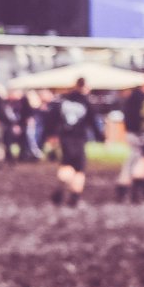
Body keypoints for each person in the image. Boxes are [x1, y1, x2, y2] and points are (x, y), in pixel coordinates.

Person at [43, 78, 106, 206]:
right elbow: (93, 122)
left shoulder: (63, 100)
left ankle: (61, 186)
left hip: (65, 138)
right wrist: (101, 138)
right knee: (79, 169)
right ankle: (74, 197)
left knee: (66, 164)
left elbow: (52, 119)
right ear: (84, 87)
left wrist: (50, 135)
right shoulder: (86, 102)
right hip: (79, 138)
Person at [114, 75, 144, 201]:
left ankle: (142, 189)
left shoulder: (133, 97)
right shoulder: (141, 99)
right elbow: (139, 118)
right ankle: (126, 189)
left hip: (133, 133)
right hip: (137, 134)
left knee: (137, 161)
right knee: (136, 162)